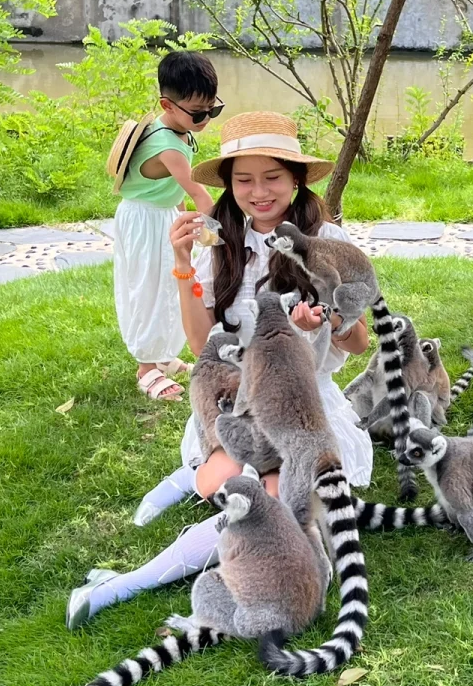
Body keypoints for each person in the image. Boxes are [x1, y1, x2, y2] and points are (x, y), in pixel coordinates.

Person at [67, 110, 375, 629]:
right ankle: (190, 476)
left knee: (267, 512)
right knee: (221, 481)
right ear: (228, 184)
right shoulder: (222, 237)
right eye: (244, 180)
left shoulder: (326, 240)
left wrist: (329, 319)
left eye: (272, 177)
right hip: (237, 395)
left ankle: (121, 585)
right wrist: (183, 262)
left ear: (297, 180)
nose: (259, 192)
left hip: (302, 402)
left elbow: (360, 343)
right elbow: (199, 343)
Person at [113, 50, 221, 403]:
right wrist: (220, 240)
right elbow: (200, 193)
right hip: (144, 220)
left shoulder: (180, 130)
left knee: (172, 286)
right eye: (198, 113)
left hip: (164, 214)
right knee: (148, 288)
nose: (205, 119)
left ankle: (163, 356)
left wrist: (183, 221)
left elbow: (178, 191)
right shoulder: (165, 143)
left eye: (213, 110)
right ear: (167, 105)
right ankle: (146, 367)